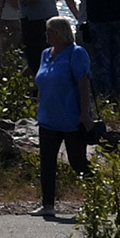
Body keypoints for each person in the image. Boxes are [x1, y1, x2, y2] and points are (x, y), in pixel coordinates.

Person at [33, 17, 94, 218]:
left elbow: (83, 84)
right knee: (47, 163)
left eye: (50, 31)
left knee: (77, 162)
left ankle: (98, 198)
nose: (46, 35)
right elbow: (43, 82)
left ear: (59, 33)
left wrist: (84, 113)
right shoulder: (45, 54)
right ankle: (48, 204)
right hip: (48, 118)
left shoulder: (75, 53)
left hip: (71, 118)